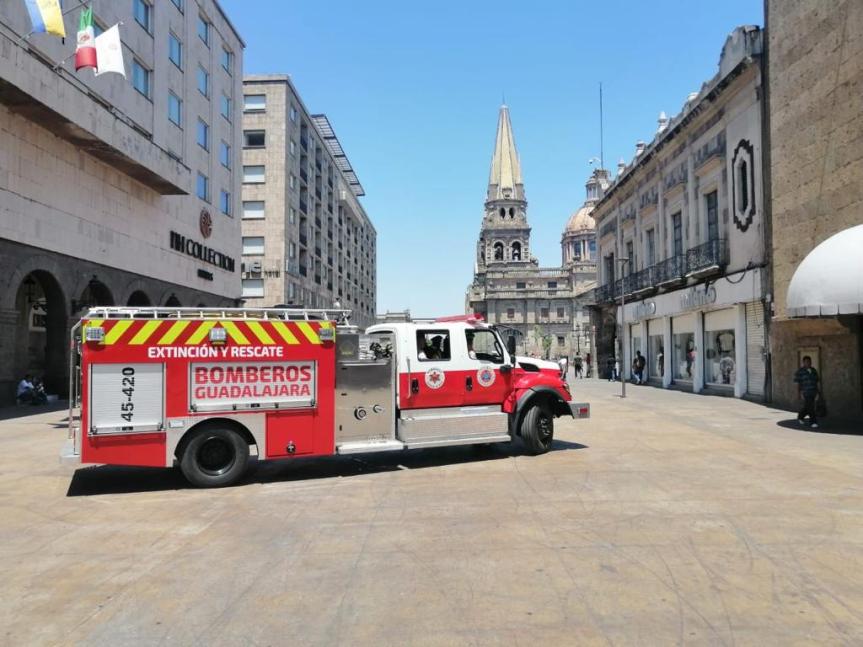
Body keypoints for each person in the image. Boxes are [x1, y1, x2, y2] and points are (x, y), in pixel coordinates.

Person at [794, 356, 820, 428]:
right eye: (806, 362)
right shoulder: (800, 372)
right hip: (805, 392)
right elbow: (797, 383)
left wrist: (818, 392)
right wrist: (799, 393)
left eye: (809, 362)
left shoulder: (814, 370)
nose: (808, 363)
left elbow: (817, 382)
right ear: (803, 362)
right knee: (811, 407)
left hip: (813, 391)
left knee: (807, 407)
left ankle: (800, 416)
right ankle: (813, 422)